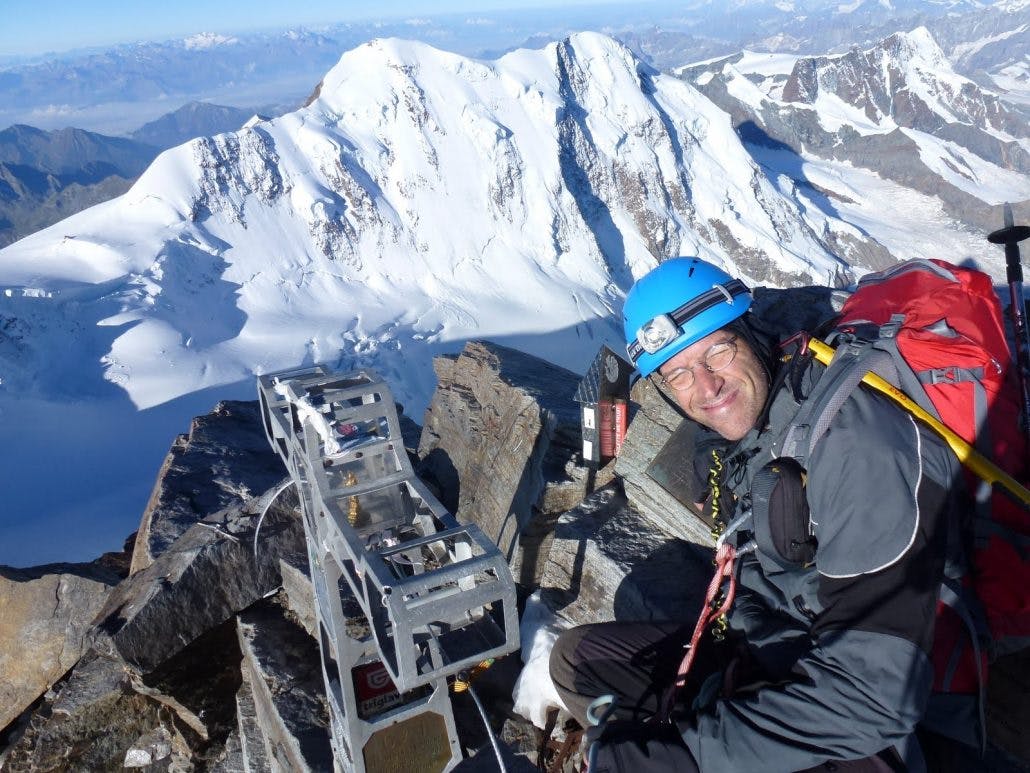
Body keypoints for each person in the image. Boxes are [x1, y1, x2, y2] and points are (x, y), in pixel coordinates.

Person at [549, 257, 969, 772]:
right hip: (773, 650)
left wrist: (691, 755)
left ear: (753, 332)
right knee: (577, 662)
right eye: (679, 374)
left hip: (866, 719)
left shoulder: (859, 447)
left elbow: (878, 696)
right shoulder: (755, 435)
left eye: (718, 352)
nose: (706, 388)